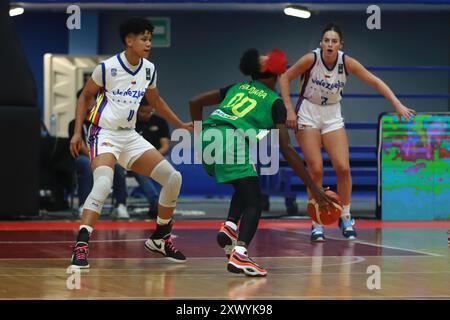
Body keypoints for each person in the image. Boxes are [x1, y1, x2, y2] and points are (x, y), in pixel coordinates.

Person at [189, 48, 336, 277]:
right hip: (231, 140)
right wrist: (314, 188)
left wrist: (198, 134)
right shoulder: (275, 103)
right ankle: (240, 254)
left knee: (247, 180)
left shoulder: (235, 88)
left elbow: (194, 101)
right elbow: (286, 149)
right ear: (273, 75)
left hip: (208, 136)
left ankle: (229, 226)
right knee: (255, 202)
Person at [69, 17, 193, 269]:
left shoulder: (149, 69)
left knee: (173, 178)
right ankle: (81, 245)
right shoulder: (106, 67)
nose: (148, 43)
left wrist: (179, 123)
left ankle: (160, 237)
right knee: (103, 184)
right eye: (143, 38)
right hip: (103, 133)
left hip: (129, 136)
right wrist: (76, 133)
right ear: (129, 40)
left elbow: (156, 102)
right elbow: (85, 96)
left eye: (150, 38)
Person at [279, 23, 416, 242]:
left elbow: (374, 81)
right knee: (315, 169)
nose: (330, 44)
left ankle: (345, 215)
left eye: (334, 41)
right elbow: (285, 77)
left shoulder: (346, 62)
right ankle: (317, 223)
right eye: (326, 40)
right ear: (321, 43)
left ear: (340, 45)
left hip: (332, 114)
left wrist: (397, 104)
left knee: (343, 167)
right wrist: (288, 109)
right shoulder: (311, 59)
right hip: (308, 113)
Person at [69, 90, 130, 219]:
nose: (90, 102)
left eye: (92, 99)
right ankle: (83, 206)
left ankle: (120, 206)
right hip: (84, 157)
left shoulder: (104, 122)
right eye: (86, 99)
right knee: (85, 164)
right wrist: (94, 157)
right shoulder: (74, 124)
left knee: (118, 166)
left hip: (103, 156)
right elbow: (79, 146)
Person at [128, 96, 171, 218]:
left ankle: (155, 206)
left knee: (166, 168)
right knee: (140, 170)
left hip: (157, 156)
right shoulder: (129, 123)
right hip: (135, 158)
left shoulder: (160, 122)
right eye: (143, 112)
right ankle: (157, 203)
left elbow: (165, 146)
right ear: (137, 109)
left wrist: (153, 157)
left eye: (150, 112)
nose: (147, 115)